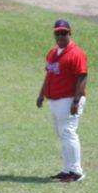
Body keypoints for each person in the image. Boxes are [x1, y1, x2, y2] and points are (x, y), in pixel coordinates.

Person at [36, 19, 88, 183]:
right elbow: (49, 74)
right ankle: (67, 170)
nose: (60, 35)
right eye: (57, 33)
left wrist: (76, 101)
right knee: (62, 134)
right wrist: (41, 94)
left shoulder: (76, 53)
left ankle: (77, 172)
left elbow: (82, 77)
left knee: (68, 133)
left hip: (69, 99)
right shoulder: (53, 52)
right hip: (54, 99)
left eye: (63, 32)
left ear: (69, 33)